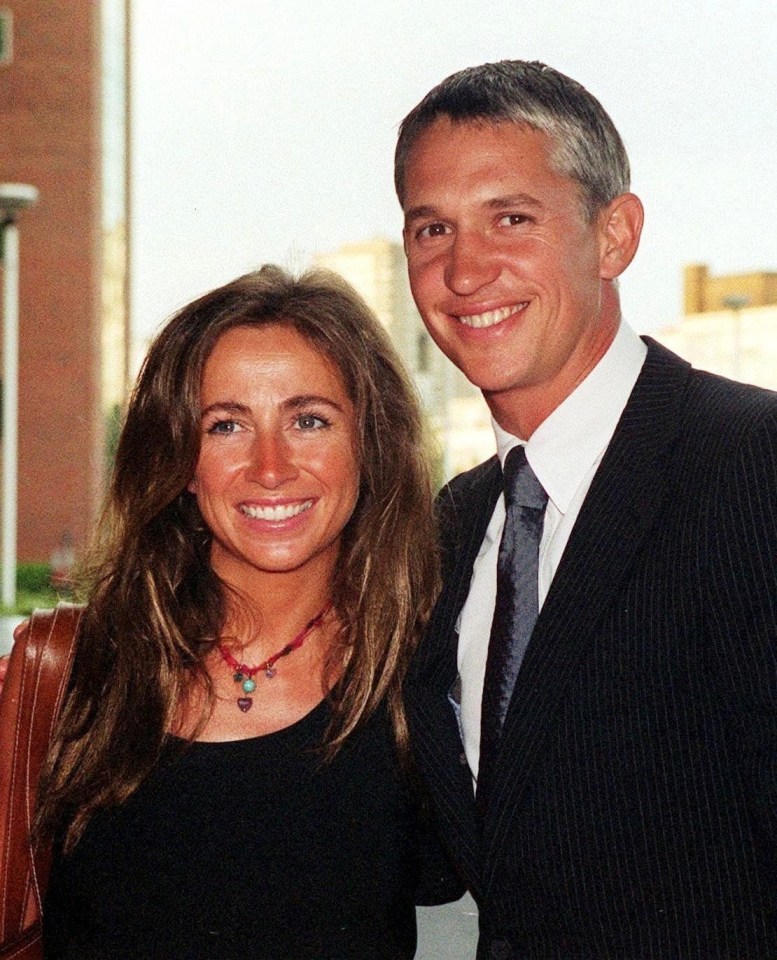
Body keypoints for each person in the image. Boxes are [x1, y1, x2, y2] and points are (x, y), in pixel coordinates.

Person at [395, 60, 777, 958]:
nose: (463, 269)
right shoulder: (454, 524)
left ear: (614, 236)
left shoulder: (750, 466)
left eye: (512, 219)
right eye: (431, 228)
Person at [14, 265, 460, 958]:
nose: (270, 466)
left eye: (308, 420)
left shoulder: (428, 677)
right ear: (181, 461)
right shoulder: (76, 672)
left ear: (369, 446)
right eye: (225, 425)